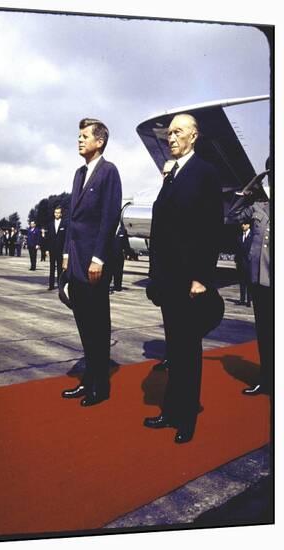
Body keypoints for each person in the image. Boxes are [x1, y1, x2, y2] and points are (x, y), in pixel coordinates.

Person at [144, 113, 223, 443]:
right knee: (175, 350)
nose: (170, 138)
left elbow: (211, 228)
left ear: (193, 136)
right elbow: (160, 228)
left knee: (188, 349)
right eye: (169, 133)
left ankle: (187, 416)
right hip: (168, 279)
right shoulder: (171, 175)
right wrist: (153, 276)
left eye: (177, 132)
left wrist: (202, 277)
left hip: (190, 280)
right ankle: (172, 410)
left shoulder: (205, 172)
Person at [61, 118, 122, 406]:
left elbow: (109, 218)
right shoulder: (78, 174)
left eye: (85, 136)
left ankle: (101, 385)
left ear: (100, 142)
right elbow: (72, 219)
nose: (80, 140)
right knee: (84, 325)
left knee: (98, 326)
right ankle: (88, 379)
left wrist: (98, 257)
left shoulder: (109, 172)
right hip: (75, 261)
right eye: (79, 135)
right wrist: (64, 254)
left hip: (94, 263)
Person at [228, 161, 271, 395]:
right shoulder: (257, 206)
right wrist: (248, 190)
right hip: (259, 280)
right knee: (265, 333)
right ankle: (266, 379)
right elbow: (232, 214)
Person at [47, 206, 66, 290]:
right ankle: (51, 285)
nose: (57, 214)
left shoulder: (64, 224)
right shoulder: (50, 224)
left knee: (59, 268)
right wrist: (47, 250)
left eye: (58, 212)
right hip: (52, 249)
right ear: (54, 213)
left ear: (61, 214)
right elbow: (48, 238)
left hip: (60, 250)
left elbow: (66, 238)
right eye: (55, 212)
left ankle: (59, 285)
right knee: (51, 268)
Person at [235, 222, 253, 307]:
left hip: (249, 263)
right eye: (242, 224)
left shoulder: (252, 236)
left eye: (244, 224)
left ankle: (249, 300)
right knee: (242, 282)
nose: (242, 226)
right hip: (241, 263)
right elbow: (237, 250)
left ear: (248, 225)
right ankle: (242, 300)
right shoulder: (239, 236)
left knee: (249, 283)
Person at [111, 221, 130, 291]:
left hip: (119, 255)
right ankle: (108, 285)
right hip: (110, 253)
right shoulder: (110, 229)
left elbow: (126, 243)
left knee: (118, 271)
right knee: (110, 270)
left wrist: (128, 252)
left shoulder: (123, 231)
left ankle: (118, 286)